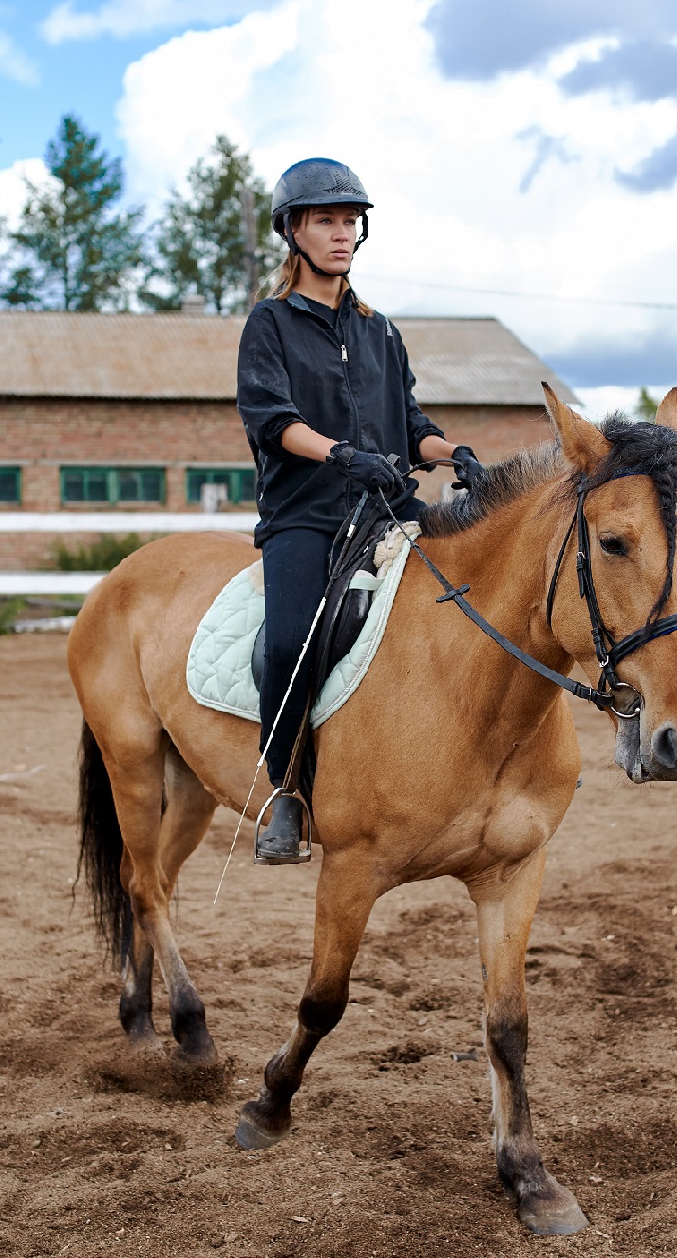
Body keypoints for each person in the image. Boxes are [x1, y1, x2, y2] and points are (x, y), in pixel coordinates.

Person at [236, 157, 487, 863]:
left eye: (350, 221)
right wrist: (340, 454)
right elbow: (271, 419)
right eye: (325, 221)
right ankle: (285, 792)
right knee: (288, 642)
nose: (341, 234)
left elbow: (408, 423)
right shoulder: (270, 325)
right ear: (293, 231)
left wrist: (450, 452)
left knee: (484, 598)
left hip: (390, 509)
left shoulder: (380, 331)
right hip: (306, 516)